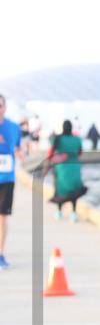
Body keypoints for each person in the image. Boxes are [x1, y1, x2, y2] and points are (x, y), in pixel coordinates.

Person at [43, 119, 88, 222]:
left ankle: (59, 212)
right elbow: (80, 152)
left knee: (61, 189)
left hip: (62, 167)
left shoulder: (58, 138)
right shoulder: (77, 139)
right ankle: (73, 213)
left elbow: (51, 151)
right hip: (74, 166)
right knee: (74, 190)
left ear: (62, 128)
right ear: (71, 128)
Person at [0, 94, 24, 269]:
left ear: (5, 107)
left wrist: (20, 153)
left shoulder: (14, 127)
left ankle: (0, 254)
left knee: (2, 217)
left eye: (0, 105)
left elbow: (19, 149)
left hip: (7, 179)